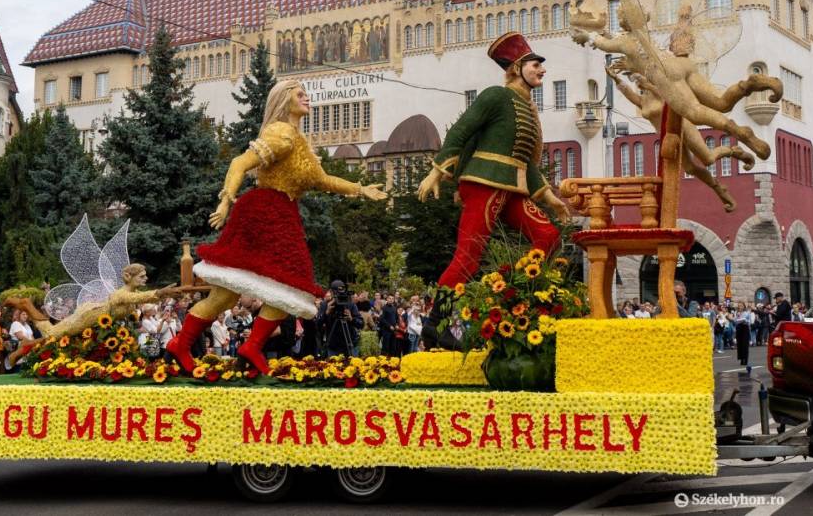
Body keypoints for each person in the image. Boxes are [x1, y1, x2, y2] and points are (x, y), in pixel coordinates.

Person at [165, 80, 387, 374]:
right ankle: (202, 344)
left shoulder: (300, 143)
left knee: (268, 291)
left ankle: (228, 345)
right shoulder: (281, 133)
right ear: (284, 101)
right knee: (273, 288)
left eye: (306, 94)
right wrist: (226, 201)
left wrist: (360, 189)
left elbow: (325, 181)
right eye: (299, 94)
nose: (306, 98)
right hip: (263, 213)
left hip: (283, 215)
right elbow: (239, 163)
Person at [418, 32, 568, 348]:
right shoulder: (495, 96)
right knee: (468, 256)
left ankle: (509, 291)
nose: (541, 70)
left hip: (513, 188)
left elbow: (525, 160)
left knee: (549, 238)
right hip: (484, 184)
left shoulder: (528, 107)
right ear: (516, 67)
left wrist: (551, 199)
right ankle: (436, 325)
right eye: (535, 64)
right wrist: (437, 170)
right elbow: (461, 131)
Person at [316, 281, 363, 357]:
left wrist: (351, 319)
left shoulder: (350, 304)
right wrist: (326, 313)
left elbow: (361, 324)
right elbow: (317, 325)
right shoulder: (325, 304)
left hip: (350, 344)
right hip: (333, 346)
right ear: (331, 292)